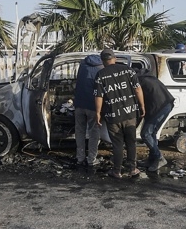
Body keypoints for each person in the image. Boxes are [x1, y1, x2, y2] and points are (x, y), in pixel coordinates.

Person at [94, 48, 145, 179]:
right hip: (130, 113)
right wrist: (142, 105)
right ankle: (133, 169)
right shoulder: (129, 70)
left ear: (103, 61)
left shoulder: (101, 75)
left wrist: (98, 113)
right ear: (115, 58)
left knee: (117, 144)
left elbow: (98, 96)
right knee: (131, 142)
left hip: (113, 115)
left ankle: (117, 171)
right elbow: (138, 89)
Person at [137, 70, 175, 172]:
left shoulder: (138, 82)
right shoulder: (147, 77)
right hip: (165, 104)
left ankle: (159, 158)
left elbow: (139, 105)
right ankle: (152, 159)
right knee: (152, 132)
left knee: (145, 134)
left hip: (160, 107)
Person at [73, 54, 103, 167]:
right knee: (94, 133)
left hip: (79, 104)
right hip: (93, 106)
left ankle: (80, 158)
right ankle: (91, 159)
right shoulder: (102, 68)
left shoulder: (82, 65)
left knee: (79, 131)